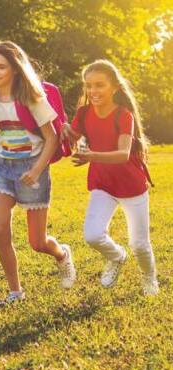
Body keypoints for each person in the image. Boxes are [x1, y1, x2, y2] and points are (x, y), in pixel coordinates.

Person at [0, 41, 76, 304]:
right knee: (0, 229)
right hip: (3, 169)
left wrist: (36, 170)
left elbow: (52, 138)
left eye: (1, 67)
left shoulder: (31, 97)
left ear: (15, 69)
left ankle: (62, 254)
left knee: (38, 242)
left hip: (33, 168)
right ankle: (15, 291)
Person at [63, 59, 158, 295]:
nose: (93, 91)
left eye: (99, 85)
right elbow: (73, 138)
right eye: (89, 86)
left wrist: (91, 155)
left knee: (139, 244)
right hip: (103, 184)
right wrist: (64, 129)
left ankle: (149, 278)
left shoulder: (124, 115)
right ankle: (117, 256)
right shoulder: (84, 113)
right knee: (93, 235)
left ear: (114, 87)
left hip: (132, 186)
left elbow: (123, 154)